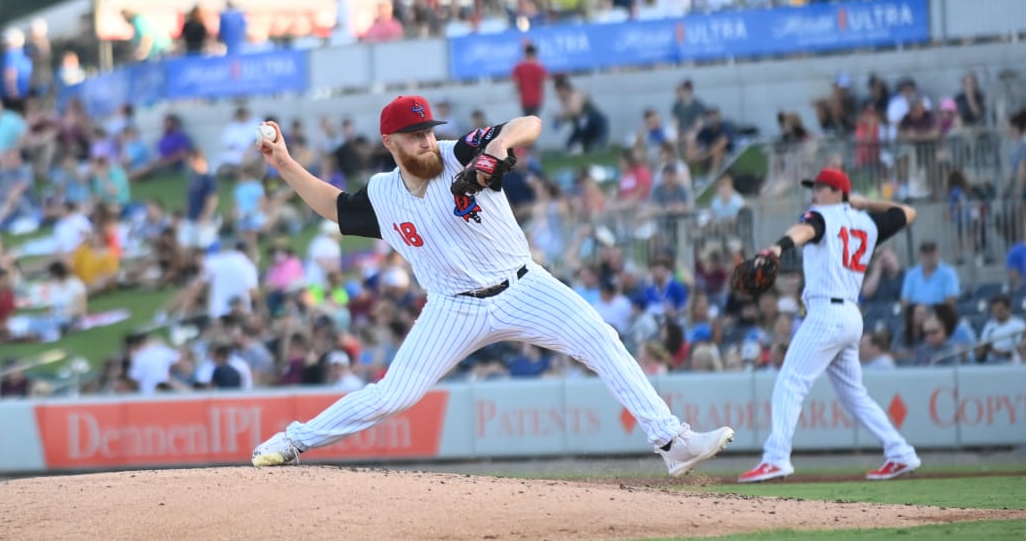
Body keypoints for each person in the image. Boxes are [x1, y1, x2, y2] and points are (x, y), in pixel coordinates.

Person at [248, 95, 734, 475]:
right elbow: (335, 207)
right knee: (392, 396)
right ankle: (293, 441)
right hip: (451, 308)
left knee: (601, 337)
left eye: (426, 129)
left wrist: (499, 147)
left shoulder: (459, 152)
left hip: (523, 287)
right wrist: (284, 163)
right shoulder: (382, 194)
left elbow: (529, 124)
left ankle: (672, 442)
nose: (424, 139)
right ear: (389, 143)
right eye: (412, 134)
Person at [739, 168, 921, 483]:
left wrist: (780, 246)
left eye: (823, 188)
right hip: (851, 315)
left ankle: (776, 458)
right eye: (815, 188)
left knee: (790, 382)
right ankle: (900, 452)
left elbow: (806, 230)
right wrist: (863, 203)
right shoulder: (868, 221)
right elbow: (908, 212)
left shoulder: (823, 215)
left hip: (827, 312)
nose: (816, 193)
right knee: (854, 394)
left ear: (838, 193)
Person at [511, 44, 548, 117]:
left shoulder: (519, 67)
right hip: (537, 99)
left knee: (527, 120)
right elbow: (543, 84)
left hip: (525, 99)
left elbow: (516, 84)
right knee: (535, 119)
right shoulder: (540, 67)